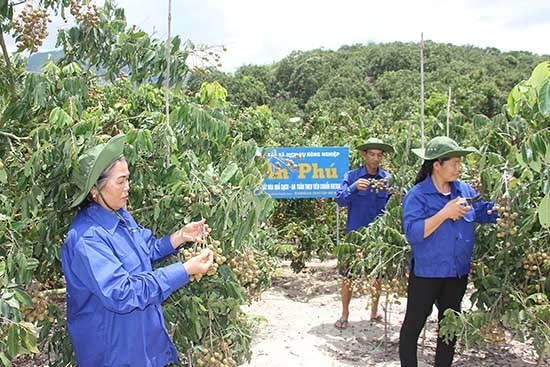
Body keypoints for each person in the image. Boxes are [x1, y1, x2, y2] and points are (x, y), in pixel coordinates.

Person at [62, 134, 214, 367]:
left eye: (128, 180)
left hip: (140, 348)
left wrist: (180, 236)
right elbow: (121, 293)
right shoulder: (87, 239)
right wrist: (184, 270)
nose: (128, 188)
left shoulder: (120, 215)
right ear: (95, 190)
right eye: (121, 181)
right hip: (113, 355)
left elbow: (145, 249)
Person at [399, 136, 498, 367]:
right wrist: (444, 213)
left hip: (456, 273)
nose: (458, 168)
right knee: (413, 326)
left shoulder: (463, 190)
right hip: (427, 273)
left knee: (449, 328)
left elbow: (482, 212)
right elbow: (413, 233)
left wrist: (507, 200)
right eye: (453, 163)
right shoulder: (418, 195)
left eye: (458, 163)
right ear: (437, 165)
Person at [334, 137, 394, 329]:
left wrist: (394, 192)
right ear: (364, 155)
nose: (375, 159)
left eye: (379, 155)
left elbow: (396, 205)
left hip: (378, 238)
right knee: (347, 276)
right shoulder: (351, 177)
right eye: (372, 155)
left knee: (377, 276)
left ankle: (374, 312)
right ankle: (344, 314)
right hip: (354, 236)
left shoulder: (387, 179)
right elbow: (339, 200)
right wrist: (353, 188)